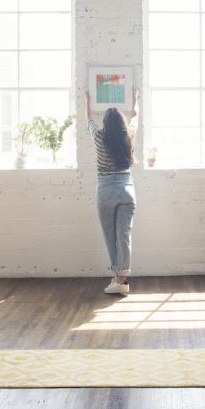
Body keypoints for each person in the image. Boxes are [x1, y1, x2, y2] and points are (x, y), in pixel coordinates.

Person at [85, 89, 139, 295]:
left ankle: (119, 280)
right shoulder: (129, 136)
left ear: (106, 124)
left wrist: (87, 101)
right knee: (124, 235)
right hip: (127, 190)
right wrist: (135, 99)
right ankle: (122, 280)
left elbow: (88, 119)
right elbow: (135, 116)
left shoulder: (99, 137)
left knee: (111, 236)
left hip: (106, 190)